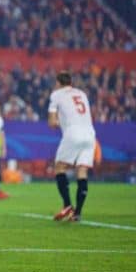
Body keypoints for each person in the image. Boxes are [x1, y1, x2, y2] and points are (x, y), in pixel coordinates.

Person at [48, 71, 96, 222]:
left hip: (73, 133)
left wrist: (59, 122)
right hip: (89, 134)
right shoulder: (81, 93)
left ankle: (68, 205)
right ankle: (77, 214)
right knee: (82, 171)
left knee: (59, 168)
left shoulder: (56, 95)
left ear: (58, 83)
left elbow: (52, 123)